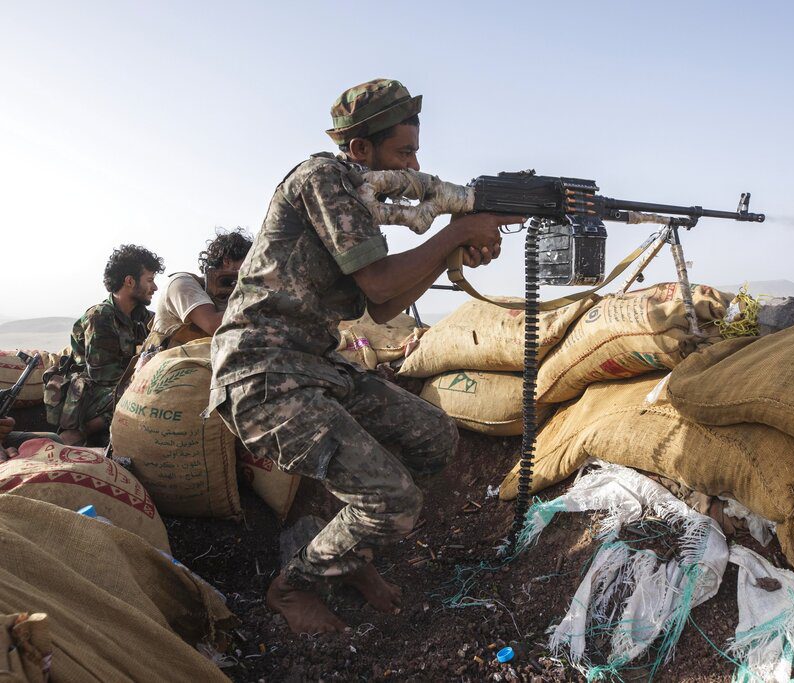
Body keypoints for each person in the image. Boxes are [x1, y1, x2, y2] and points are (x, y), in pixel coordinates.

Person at [209, 78, 516, 635]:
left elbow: (387, 304)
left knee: (434, 439)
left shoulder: (354, 195)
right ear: (360, 150)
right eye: (404, 152)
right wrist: (455, 235)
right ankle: (294, 585)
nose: (416, 164)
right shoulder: (322, 178)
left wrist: (456, 246)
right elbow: (378, 284)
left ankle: (348, 555)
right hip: (262, 374)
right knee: (393, 501)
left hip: (314, 366)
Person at [43, 245, 164, 446]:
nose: (155, 287)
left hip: (109, 390)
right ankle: (81, 432)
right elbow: (104, 376)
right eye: (150, 280)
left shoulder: (140, 316)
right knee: (142, 393)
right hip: (88, 396)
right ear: (129, 281)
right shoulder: (101, 317)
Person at [145, 228, 253, 350]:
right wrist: (261, 301)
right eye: (248, 265)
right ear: (227, 261)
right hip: (172, 363)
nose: (252, 271)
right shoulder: (181, 282)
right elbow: (213, 325)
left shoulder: (230, 295)